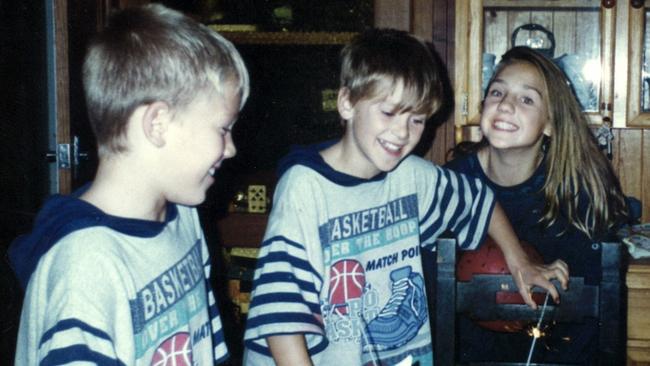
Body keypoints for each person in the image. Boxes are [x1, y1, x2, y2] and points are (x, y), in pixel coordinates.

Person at [242, 29, 568, 366]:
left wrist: (519, 261)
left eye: (416, 120)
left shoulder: (410, 176)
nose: (402, 133)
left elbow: (479, 202)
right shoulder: (305, 188)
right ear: (347, 102)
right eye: (388, 112)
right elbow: (281, 317)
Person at [8, 4, 249, 365]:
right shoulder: (86, 267)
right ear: (157, 124)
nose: (230, 149)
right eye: (223, 129)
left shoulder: (182, 217)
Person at [442, 46, 633, 364]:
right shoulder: (452, 183)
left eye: (526, 99)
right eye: (497, 92)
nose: (505, 105)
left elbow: (592, 321)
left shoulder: (575, 192)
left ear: (549, 123)